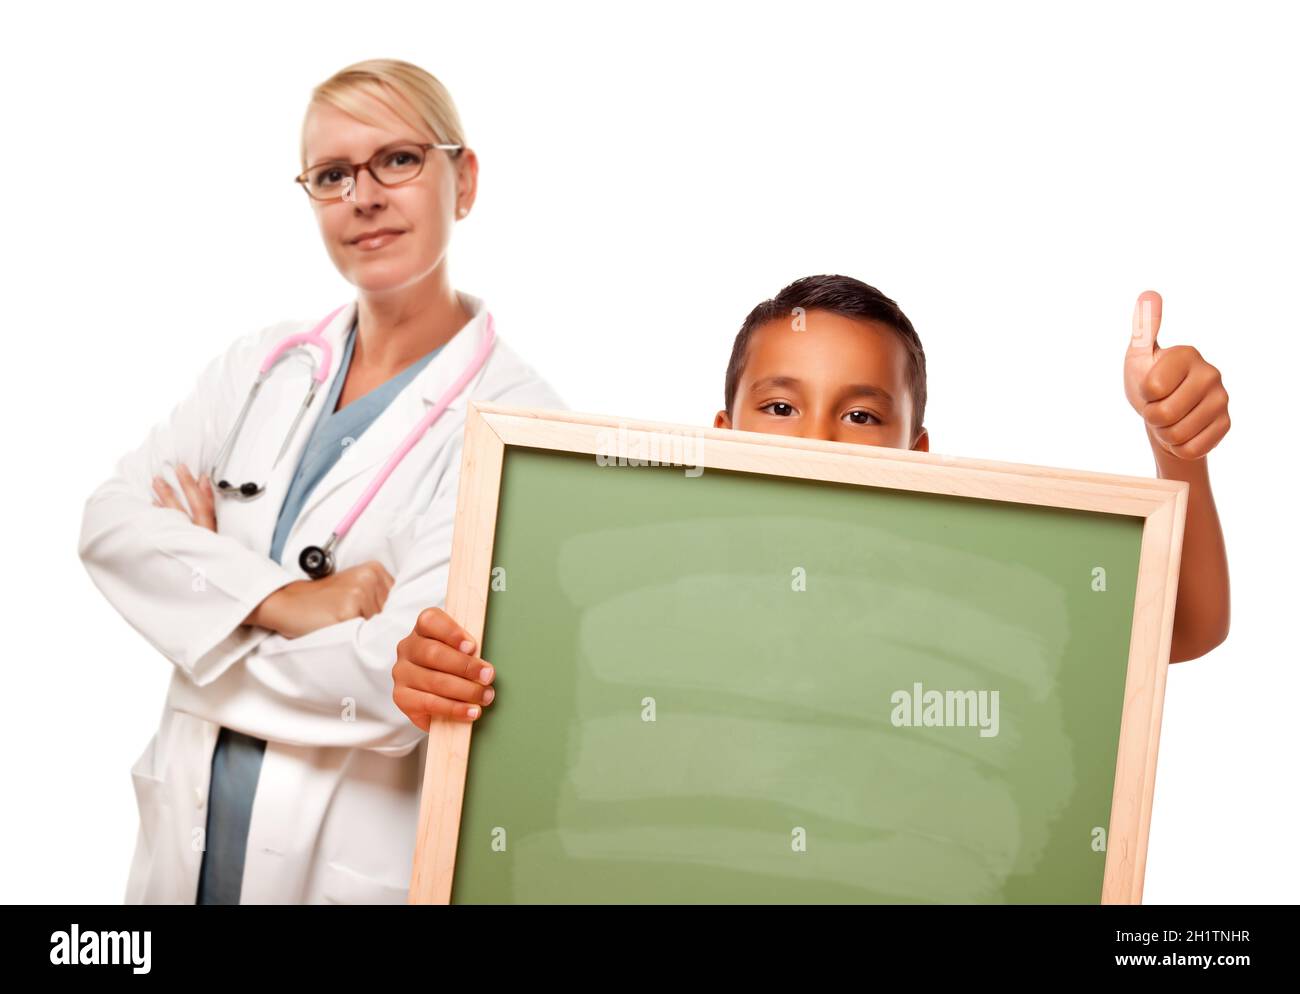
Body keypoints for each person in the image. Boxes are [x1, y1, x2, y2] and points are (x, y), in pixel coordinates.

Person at [78, 58, 562, 904]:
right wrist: (283, 601)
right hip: (181, 854)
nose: (363, 197)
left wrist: (194, 610)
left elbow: (386, 687)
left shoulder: (517, 422)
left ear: (465, 180)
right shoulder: (262, 367)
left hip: (346, 869)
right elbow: (110, 526)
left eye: (398, 160)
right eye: (332, 174)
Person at [393, 275, 1229, 732]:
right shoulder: (619, 605)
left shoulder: (969, 602)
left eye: (863, 416)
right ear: (722, 435)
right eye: (782, 407)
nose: (819, 442)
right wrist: (434, 680)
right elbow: (495, 694)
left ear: (918, 454)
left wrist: (1176, 449)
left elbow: (1187, 625)